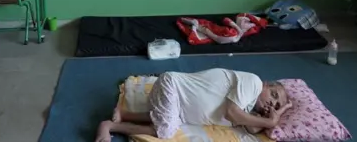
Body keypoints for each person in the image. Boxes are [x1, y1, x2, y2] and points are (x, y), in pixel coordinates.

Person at [95, 69, 292, 142]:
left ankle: (124, 114)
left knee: (171, 119)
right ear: (267, 84)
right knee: (165, 131)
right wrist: (272, 121)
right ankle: (109, 126)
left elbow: (253, 127)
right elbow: (233, 114)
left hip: (178, 106)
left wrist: (276, 115)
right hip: (171, 85)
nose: (271, 102)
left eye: (275, 103)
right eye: (273, 95)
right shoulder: (254, 83)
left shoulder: (248, 108)